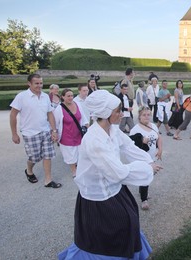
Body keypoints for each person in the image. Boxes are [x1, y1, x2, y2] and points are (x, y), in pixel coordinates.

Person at [58, 90, 162, 259]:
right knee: (111, 232)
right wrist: (147, 169)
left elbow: (128, 146)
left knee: (130, 220)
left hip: (113, 188)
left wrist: (147, 160)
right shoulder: (94, 140)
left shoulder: (113, 129)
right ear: (105, 113)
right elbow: (118, 173)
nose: (122, 114)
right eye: (117, 111)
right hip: (98, 196)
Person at [10, 74, 61, 188]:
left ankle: (48, 180)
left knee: (47, 155)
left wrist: (54, 130)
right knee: (34, 157)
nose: (39, 85)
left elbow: (50, 114)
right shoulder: (21, 96)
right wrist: (14, 133)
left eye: (41, 83)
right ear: (29, 83)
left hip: (45, 130)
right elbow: (13, 115)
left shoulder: (45, 96)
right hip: (30, 133)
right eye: (36, 83)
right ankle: (29, 170)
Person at [130, 106, 163, 210]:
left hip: (152, 157)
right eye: (144, 115)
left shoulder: (153, 126)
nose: (147, 117)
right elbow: (130, 146)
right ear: (139, 116)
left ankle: (142, 190)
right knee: (146, 176)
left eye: (148, 114)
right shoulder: (135, 129)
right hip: (142, 159)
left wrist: (160, 149)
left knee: (151, 174)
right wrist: (141, 141)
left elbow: (159, 137)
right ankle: (144, 199)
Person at [54, 88, 89, 177]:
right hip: (67, 136)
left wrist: (88, 128)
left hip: (78, 134)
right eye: (68, 96)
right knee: (70, 155)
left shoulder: (77, 104)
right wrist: (55, 134)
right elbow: (56, 123)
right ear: (63, 97)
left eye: (72, 96)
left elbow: (83, 117)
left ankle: (80, 168)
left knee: (81, 153)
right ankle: (74, 171)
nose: (70, 98)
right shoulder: (59, 108)